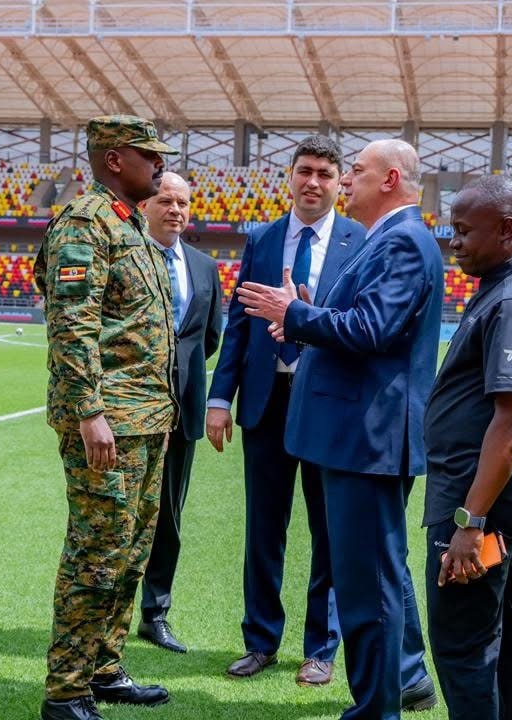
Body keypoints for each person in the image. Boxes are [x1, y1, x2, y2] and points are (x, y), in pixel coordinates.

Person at [237, 138, 443, 718]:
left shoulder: (402, 240)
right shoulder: (388, 237)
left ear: (390, 179)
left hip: (366, 438)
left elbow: (371, 330)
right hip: (358, 435)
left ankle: (377, 707)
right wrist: (308, 315)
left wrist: (296, 314)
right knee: (375, 573)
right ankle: (404, 682)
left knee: (368, 585)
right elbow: (360, 323)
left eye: (355, 171)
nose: (346, 181)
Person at [33, 115, 179, 720]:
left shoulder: (129, 223)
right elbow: (72, 325)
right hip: (109, 423)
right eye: (150, 155)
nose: (161, 165)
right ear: (114, 158)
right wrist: (89, 412)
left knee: (130, 552)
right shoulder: (85, 222)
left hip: (145, 419)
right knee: (96, 552)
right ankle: (66, 689)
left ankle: (104, 667)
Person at [206, 134, 357, 686]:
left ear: (339, 183)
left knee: (328, 530)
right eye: (304, 171)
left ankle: (321, 647)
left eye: (324, 173)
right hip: (266, 401)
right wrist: (219, 398)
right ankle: (260, 640)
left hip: (325, 404)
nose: (313, 182)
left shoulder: (360, 240)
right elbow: (240, 321)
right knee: (264, 528)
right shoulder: (264, 238)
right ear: (289, 177)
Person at [422, 175, 512, 720]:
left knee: (465, 644)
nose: (453, 241)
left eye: (463, 230)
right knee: (503, 638)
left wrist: (470, 521)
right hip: (488, 493)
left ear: (506, 229)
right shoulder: (503, 288)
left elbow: (511, 421)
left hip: (479, 497)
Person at [135, 172, 223, 654]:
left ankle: (155, 614)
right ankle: (105, 614)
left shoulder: (205, 267)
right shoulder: (127, 256)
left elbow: (209, 337)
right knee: (121, 515)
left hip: (183, 411)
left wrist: (179, 379)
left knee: (169, 517)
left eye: (183, 203)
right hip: (130, 409)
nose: (175, 210)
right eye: (165, 200)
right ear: (145, 205)